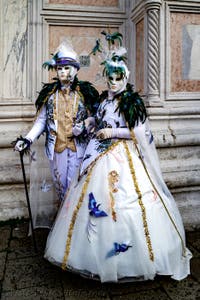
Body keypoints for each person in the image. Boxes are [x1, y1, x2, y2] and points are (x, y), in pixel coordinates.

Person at [44, 32, 192, 282]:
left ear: (125, 78)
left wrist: (113, 131)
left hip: (123, 157)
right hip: (99, 155)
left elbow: (139, 131)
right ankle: (90, 255)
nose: (113, 83)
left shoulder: (131, 102)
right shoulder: (104, 100)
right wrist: (89, 123)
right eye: (110, 78)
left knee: (126, 202)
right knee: (93, 202)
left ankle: (133, 258)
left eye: (117, 78)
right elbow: (99, 119)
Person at [14, 40, 99, 202]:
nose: (62, 72)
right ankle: (63, 220)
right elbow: (41, 121)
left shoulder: (84, 94)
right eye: (59, 68)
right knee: (60, 183)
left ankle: (72, 224)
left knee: (75, 184)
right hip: (57, 146)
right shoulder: (50, 95)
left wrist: (85, 126)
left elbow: (95, 118)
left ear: (74, 70)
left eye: (66, 68)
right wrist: (27, 139)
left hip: (78, 147)